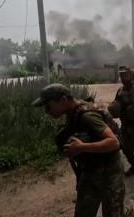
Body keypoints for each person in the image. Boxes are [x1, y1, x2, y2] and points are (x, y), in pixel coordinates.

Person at [32, 83, 125, 217]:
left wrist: (81, 147)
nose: (47, 111)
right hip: (90, 171)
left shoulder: (87, 116)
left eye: (48, 106)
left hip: (109, 171)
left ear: (63, 100)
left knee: (113, 213)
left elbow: (113, 143)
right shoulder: (72, 112)